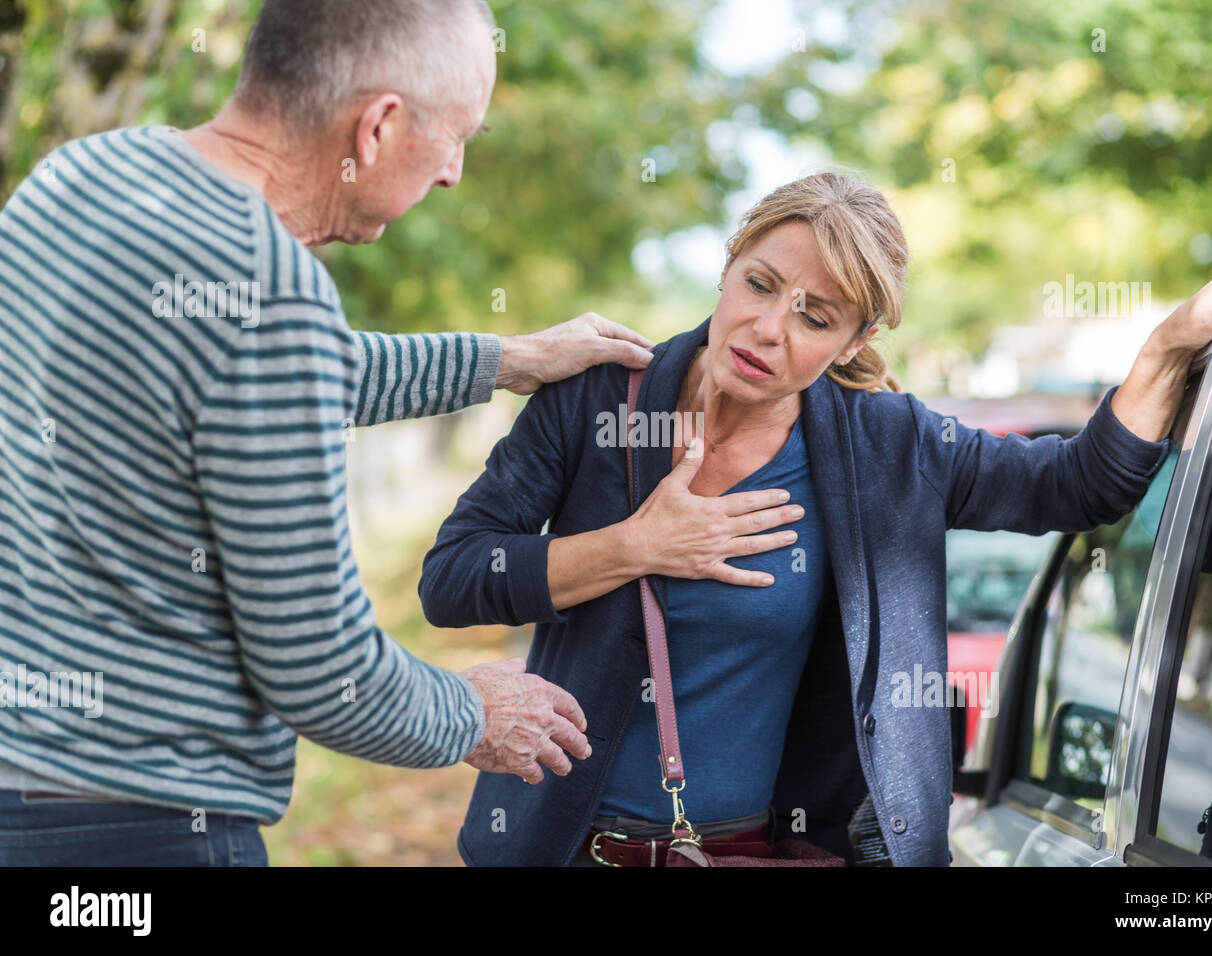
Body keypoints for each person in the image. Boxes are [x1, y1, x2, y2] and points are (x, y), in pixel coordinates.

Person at [420, 169, 1212, 866]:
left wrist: (1167, 350)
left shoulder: (890, 447)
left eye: (816, 317)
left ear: (853, 341)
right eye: (759, 284)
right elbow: (453, 579)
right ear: (727, 265)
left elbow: (1076, 486)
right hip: (558, 847)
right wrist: (634, 546)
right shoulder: (595, 401)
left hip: (746, 851)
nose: (769, 328)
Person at [0, 0, 701, 866]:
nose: (453, 173)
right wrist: (474, 713)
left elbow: (270, 375)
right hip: (144, 823)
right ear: (376, 128)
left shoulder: (84, 176)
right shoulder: (268, 290)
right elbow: (321, 669)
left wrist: (511, 359)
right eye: (455, 138)